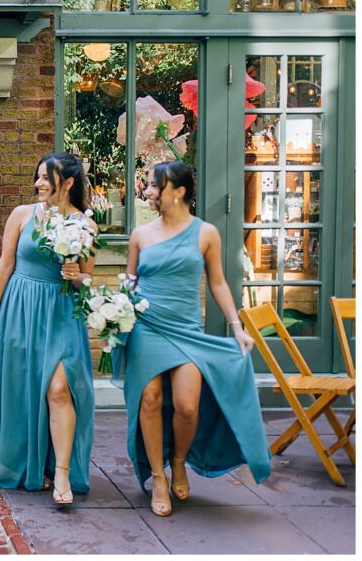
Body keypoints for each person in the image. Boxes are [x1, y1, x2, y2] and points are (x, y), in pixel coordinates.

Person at [0, 152, 96, 504]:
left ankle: (63, 474)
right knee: (21, 390)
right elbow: (5, 265)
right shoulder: (22, 215)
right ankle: (27, 464)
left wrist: (77, 276)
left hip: (62, 312)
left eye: (46, 177)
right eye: (37, 176)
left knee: (59, 389)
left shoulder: (85, 224)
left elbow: (89, 278)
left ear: (68, 183)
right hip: (21, 308)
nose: (38, 183)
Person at [116, 161, 270, 517]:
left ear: (179, 191)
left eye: (155, 186)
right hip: (146, 326)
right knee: (150, 399)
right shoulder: (141, 234)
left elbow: (217, 282)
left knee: (188, 406)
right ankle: (158, 476)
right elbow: (130, 281)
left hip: (186, 329)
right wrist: (115, 312)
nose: (149, 192)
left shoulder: (206, 233)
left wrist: (236, 326)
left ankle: (179, 460)